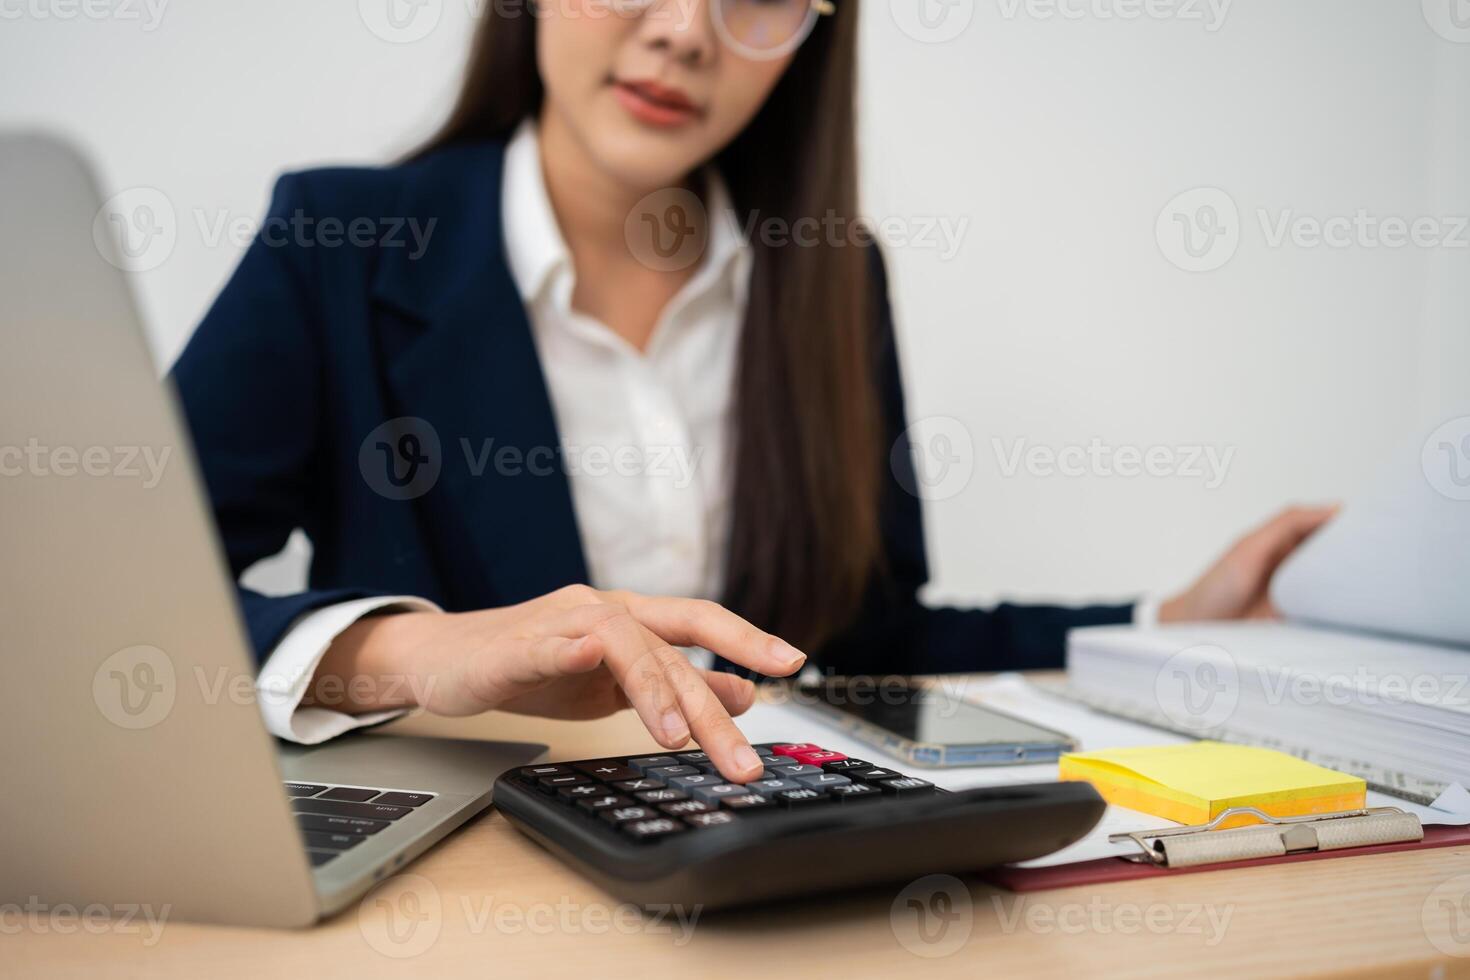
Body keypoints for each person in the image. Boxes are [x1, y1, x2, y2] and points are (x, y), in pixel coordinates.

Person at [172, 0, 1333, 784]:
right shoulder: (338, 242)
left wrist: (1162, 626)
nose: (685, 32)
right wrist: (416, 654)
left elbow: (869, 642)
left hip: (758, 867)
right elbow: (94, 606)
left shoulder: (829, 273)